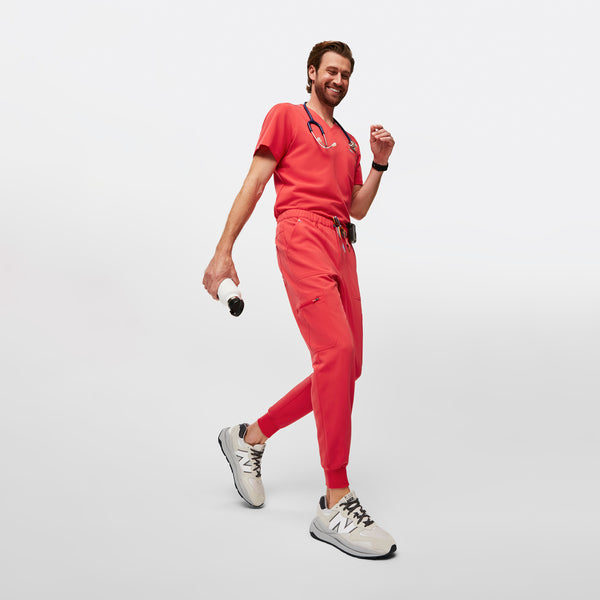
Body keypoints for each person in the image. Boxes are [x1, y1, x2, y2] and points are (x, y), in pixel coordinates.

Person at [203, 41, 396, 559]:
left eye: (346, 74)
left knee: (347, 367)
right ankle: (336, 499)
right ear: (312, 73)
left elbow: (356, 207)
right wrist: (223, 252)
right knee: (335, 354)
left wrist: (378, 165)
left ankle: (250, 436)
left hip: (342, 244)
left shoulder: (350, 142)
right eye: (330, 70)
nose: (338, 80)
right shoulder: (286, 117)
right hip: (302, 234)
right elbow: (255, 181)